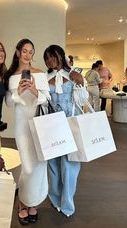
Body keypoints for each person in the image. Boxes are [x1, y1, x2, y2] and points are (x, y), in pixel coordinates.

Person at [4, 38, 50, 225]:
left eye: (31, 51)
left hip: (40, 124)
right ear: (17, 52)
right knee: (28, 167)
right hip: (22, 125)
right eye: (24, 51)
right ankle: (22, 203)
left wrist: (35, 91)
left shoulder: (40, 74)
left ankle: (33, 204)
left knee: (39, 165)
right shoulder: (11, 76)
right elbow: (8, 102)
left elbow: (47, 99)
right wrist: (19, 93)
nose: (27, 54)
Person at [43, 45, 83, 218]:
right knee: (52, 164)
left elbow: (82, 100)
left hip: (69, 123)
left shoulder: (73, 74)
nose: (51, 61)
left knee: (70, 165)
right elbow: (44, 103)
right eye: (47, 58)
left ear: (61, 55)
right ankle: (55, 198)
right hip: (52, 124)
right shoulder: (45, 77)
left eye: (53, 56)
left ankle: (67, 203)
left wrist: (80, 82)